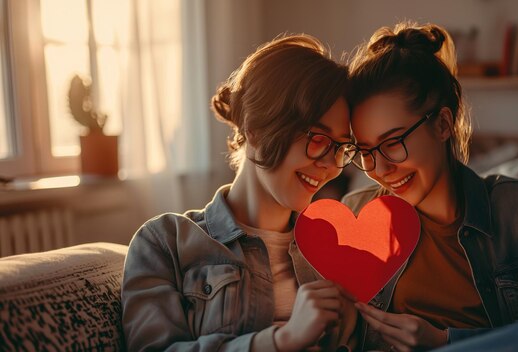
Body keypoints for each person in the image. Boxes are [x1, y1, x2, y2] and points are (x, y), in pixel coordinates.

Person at [342, 21, 518, 351]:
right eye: (365, 151)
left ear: (443, 124)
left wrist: (446, 342)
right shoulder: (356, 217)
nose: (380, 169)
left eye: (393, 142)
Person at [121, 34, 360, 351]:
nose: (332, 166)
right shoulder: (165, 242)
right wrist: (282, 340)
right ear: (257, 129)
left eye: (342, 148)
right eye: (318, 138)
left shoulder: (334, 249)